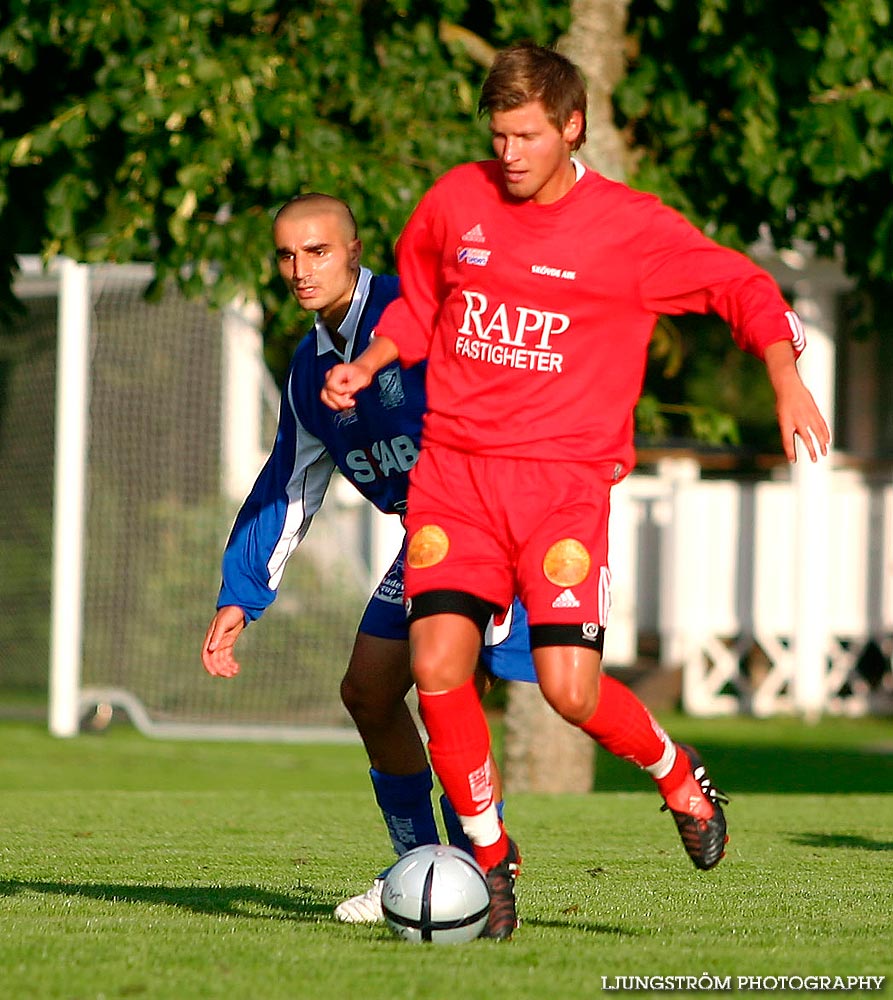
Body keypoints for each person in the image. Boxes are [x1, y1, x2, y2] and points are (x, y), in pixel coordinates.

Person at [321, 43, 831, 940]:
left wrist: (784, 379)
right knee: (437, 668)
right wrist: (367, 361)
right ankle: (488, 858)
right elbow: (422, 305)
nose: (508, 152)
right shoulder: (457, 200)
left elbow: (742, 286)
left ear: (571, 126)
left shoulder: (629, 231)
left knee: (567, 689)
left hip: (561, 494)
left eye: (525, 135)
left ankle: (677, 773)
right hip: (457, 479)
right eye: (497, 134)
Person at [202, 192, 734, 931]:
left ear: (355, 251)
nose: (300, 269)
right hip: (433, 535)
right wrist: (241, 592)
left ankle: (652, 788)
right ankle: (428, 866)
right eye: (287, 255)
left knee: (548, 691)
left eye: (317, 250)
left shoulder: (422, 314)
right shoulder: (305, 370)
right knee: (369, 690)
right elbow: (288, 480)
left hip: (506, 518)